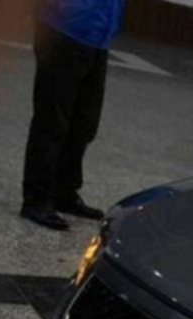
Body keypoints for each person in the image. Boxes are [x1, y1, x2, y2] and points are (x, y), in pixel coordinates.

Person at [20, 0, 127, 231]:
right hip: (62, 31)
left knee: (84, 124)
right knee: (52, 121)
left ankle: (64, 192)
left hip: (97, 35)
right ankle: (37, 199)